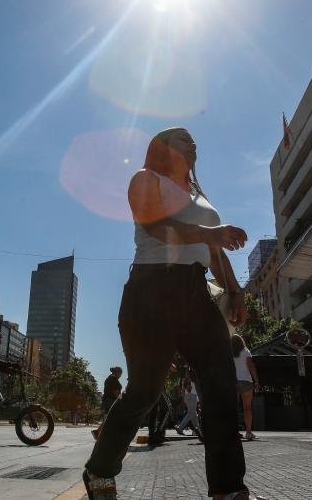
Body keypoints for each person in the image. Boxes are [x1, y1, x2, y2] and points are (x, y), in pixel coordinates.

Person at [83, 127, 254, 500]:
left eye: (195, 139)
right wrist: (210, 233)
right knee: (145, 391)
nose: (193, 143)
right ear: (162, 148)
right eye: (183, 139)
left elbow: (213, 253)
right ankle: (99, 471)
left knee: (221, 386)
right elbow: (154, 225)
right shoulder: (146, 178)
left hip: (196, 292)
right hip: (150, 292)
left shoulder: (200, 197)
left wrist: (236, 291)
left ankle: (229, 488)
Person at [231, 334, 259, 441]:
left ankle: (235, 432)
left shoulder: (228, 352)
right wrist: (256, 381)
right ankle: (248, 432)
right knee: (247, 408)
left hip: (233, 382)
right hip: (246, 382)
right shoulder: (246, 351)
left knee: (233, 409)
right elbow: (251, 366)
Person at [176, 370, 202, 437]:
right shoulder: (192, 378)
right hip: (192, 396)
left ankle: (197, 431)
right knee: (190, 413)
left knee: (194, 415)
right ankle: (180, 427)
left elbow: (183, 390)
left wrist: (183, 399)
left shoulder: (186, 380)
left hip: (189, 397)